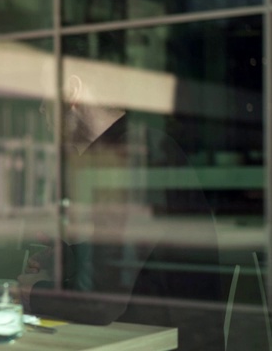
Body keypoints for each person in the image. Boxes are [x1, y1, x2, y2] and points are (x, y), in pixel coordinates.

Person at [18, 72, 225, 350]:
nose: (42, 108)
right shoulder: (134, 148)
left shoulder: (129, 158)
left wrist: (32, 293)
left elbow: (100, 305)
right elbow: (136, 262)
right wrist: (72, 257)